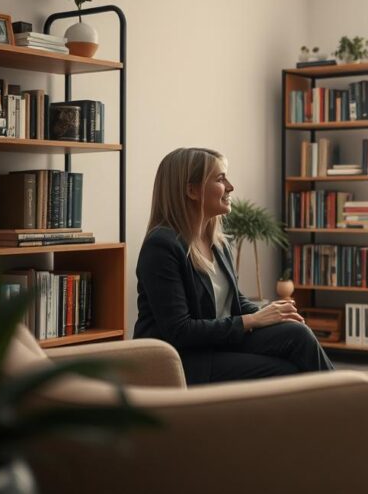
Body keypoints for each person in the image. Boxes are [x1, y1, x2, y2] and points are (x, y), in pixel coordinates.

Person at [134, 147, 333, 385]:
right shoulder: (161, 246)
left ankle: (350, 399)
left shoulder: (218, 242)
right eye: (220, 179)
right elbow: (180, 331)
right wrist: (253, 321)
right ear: (191, 190)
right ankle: (347, 409)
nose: (230, 186)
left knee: (297, 334)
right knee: (286, 370)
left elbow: (234, 302)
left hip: (217, 343)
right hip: (184, 359)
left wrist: (272, 314)